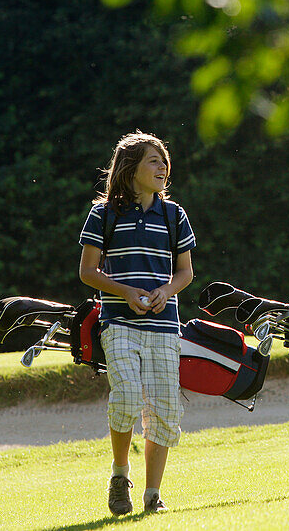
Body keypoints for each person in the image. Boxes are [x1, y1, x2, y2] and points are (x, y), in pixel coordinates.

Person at [78, 131, 195, 515]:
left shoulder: (174, 214)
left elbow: (186, 274)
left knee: (164, 408)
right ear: (130, 168)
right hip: (119, 321)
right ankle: (119, 474)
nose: (163, 167)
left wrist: (167, 290)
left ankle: (152, 495)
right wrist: (126, 291)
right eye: (153, 161)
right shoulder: (104, 213)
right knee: (126, 397)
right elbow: (87, 272)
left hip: (164, 326)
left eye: (164, 161)